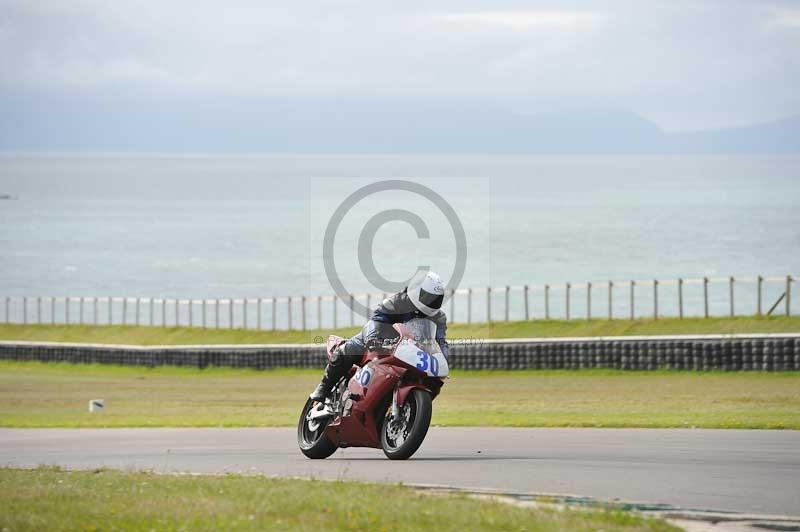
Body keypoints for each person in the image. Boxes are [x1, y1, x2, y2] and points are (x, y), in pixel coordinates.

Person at [309, 270, 449, 401]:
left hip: (411, 352)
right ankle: (324, 387)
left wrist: (443, 359)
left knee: (434, 380)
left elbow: (440, 341)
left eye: (435, 299)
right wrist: (373, 339)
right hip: (382, 341)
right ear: (416, 291)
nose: (431, 302)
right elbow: (376, 321)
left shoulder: (438, 318)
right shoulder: (397, 302)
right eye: (428, 297)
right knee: (349, 349)